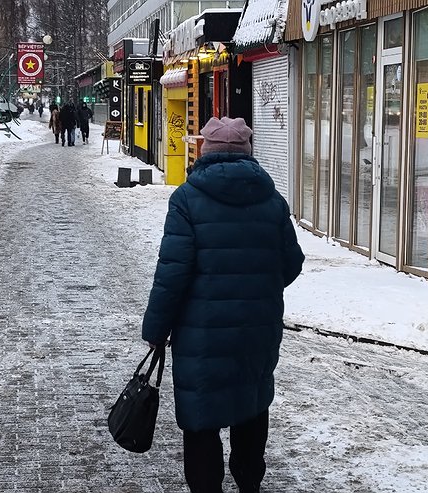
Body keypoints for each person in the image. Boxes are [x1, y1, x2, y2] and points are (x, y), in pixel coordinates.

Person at [141, 117, 304, 493]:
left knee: (202, 417)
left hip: (202, 334)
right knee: (251, 405)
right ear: (248, 152)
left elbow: (172, 273)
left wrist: (156, 330)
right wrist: (258, 290)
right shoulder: (272, 200)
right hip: (257, 331)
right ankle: (249, 483)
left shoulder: (187, 199)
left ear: (205, 151)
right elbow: (292, 263)